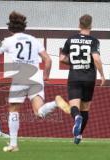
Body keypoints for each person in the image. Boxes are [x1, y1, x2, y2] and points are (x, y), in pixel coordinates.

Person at [0, 11, 70, 152]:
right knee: (39, 112)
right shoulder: (34, 40)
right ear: (24, 26)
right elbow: (48, 60)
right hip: (36, 75)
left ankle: (13, 144)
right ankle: (55, 103)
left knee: (13, 109)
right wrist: (46, 76)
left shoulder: (9, 41)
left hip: (21, 75)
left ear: (10, 28)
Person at [60, 14, 105, 144]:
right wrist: (102, 75)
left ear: (79, 25)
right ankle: (78, 136)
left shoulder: (71, 39)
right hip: (89, 78)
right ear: (91, 25)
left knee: (74, 106)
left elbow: (62, 58)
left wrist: (75, 61)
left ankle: (77, 117)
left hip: (74, 77)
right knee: (85, 108)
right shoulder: (94, 41)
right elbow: (96, 58)